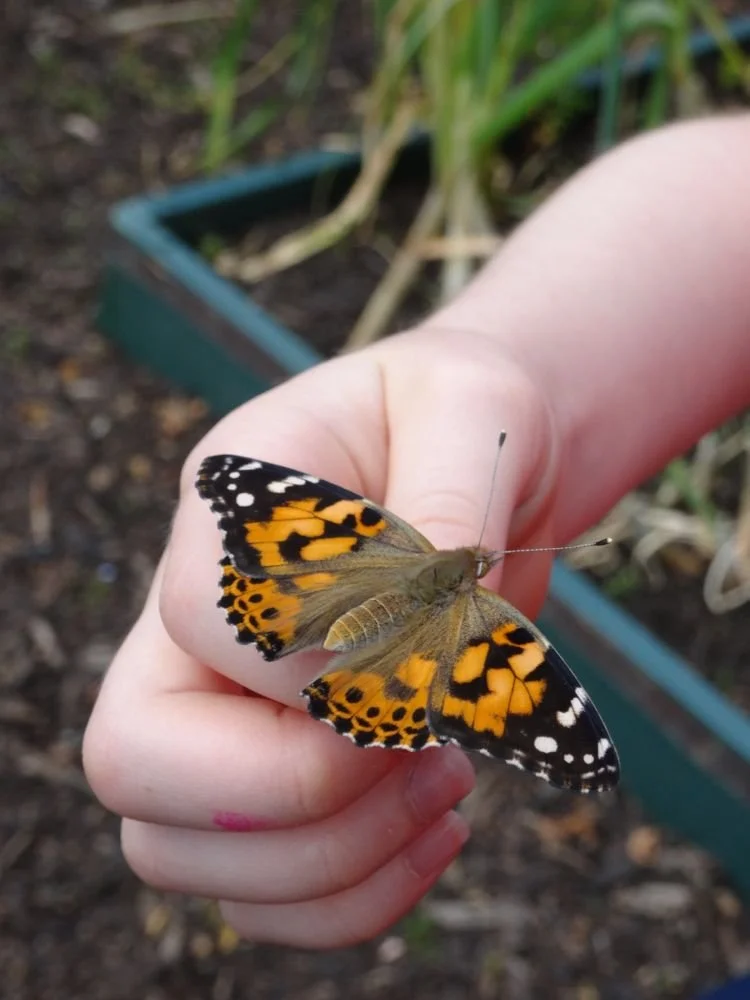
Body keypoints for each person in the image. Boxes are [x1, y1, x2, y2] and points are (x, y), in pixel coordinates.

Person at [83, 114, 750, 950]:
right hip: (399, 666)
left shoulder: (380, 539)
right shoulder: (490, 627)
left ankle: (296, 633)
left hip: (360, 596)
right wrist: (503, 362)